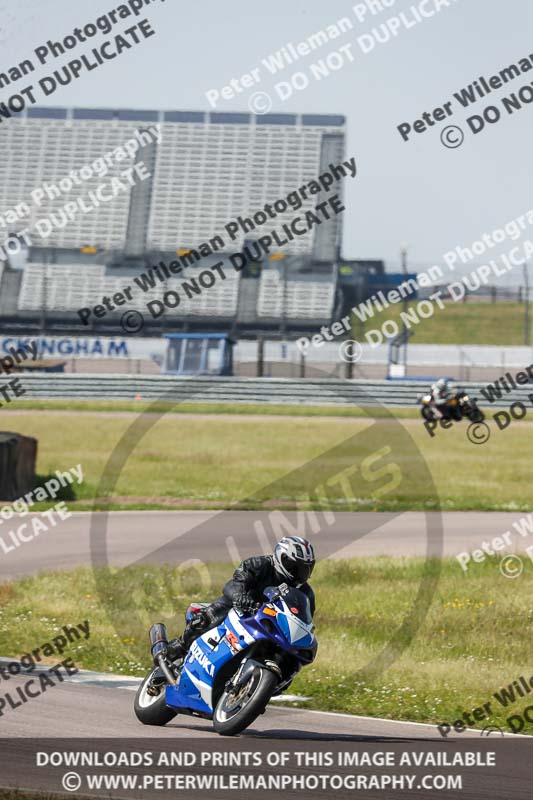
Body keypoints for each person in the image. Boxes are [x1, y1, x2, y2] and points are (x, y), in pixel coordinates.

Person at [162, 535, 316, 663]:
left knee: (290, 657)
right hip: (241, 609)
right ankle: (179, 647)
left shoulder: (306, 593)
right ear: (281, 558)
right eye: (294, 567)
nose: (299, 573)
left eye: (305, 569)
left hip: (270, 624)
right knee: (208, 618)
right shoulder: (258, 565)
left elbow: (305, 620)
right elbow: (234, 583)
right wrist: (240, 597)